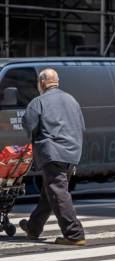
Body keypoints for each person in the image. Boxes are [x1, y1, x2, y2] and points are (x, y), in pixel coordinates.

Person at [19, 68, 86, 246]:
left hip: (52, 152)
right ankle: (33, 227)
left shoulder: (38, 102)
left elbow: (29, 124)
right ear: (57, 82)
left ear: (41, 83)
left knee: (58, 192)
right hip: (72, 153)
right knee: (50, 192)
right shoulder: (72, 100)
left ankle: (74, 234)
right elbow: (81, 126)